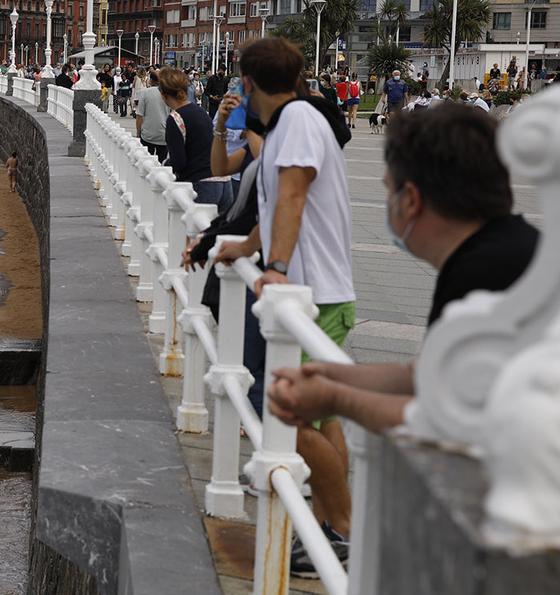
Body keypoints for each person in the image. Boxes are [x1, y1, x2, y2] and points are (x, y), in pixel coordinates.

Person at [267, 103, 538, 436]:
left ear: (410, 199)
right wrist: (327, 374)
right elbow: (423, 375)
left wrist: (334, 398)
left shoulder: (484, 273)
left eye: (388, 188)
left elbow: (441, 416)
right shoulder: (507, 250)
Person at [215, 37, 355, 577]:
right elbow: (279, 206)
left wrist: (272, 267)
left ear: (247, 82)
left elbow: (294, 194)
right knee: (319, 413)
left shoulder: (295, 120)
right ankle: (331, 521)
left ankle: (339, 528)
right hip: (323, 290)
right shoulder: (296, 120)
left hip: (312, 292)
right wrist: (246, 247)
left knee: (279, 407)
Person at [157, 67, 234, 213]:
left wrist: (163, 165)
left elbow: (178, 161)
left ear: (163, 94)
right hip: (224, 182)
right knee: (214, 233)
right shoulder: (201, 112)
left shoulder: (175, 118)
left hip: (202, 183)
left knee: (193, 232)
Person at [135, 67, 170, 160]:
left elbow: (139, 116)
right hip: (163, 135)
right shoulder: (168, 94)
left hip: (147, 134)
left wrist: (138, 134)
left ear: (150, 80)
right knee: (161, 164)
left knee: (146, 162)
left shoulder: (144, 93)